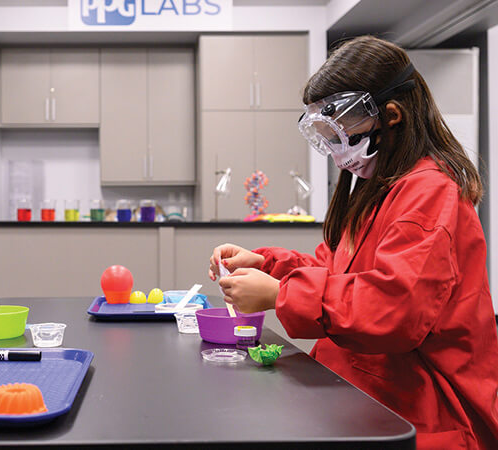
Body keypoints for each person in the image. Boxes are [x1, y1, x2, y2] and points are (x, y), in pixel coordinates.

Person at [208, 36, 498, 448]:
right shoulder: (381, 188)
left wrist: (280, 295)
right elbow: (336, 270)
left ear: (391, 115)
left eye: (341, 131)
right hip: (367, 391)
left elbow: (393, 310)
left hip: (425, 412)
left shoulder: (429, 192)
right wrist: (267, 265)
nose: (333, 148)